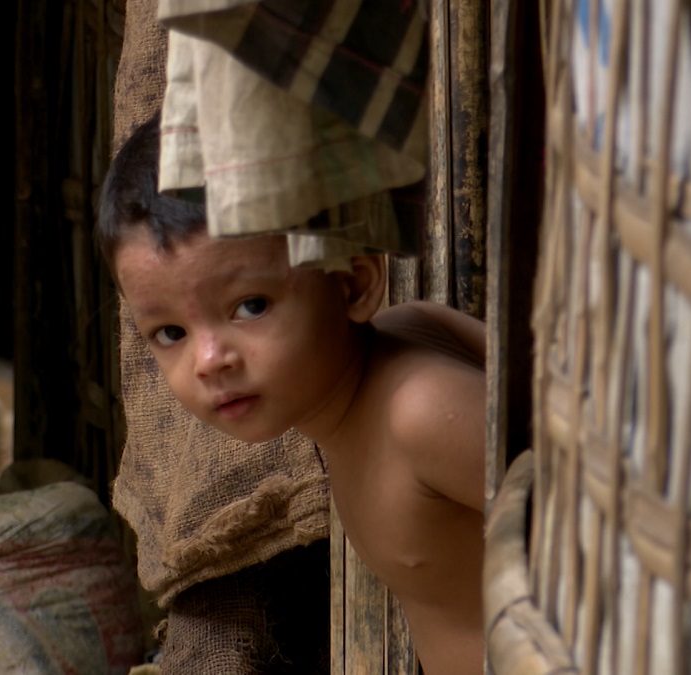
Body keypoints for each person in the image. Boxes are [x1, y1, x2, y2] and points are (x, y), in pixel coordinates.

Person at [98, 116, 486, 675]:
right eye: (171, 333)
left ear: (352, 282)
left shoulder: (418, 414)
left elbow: (592, 513)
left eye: (251, 305)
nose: (209, 360)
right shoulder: (399, 351)